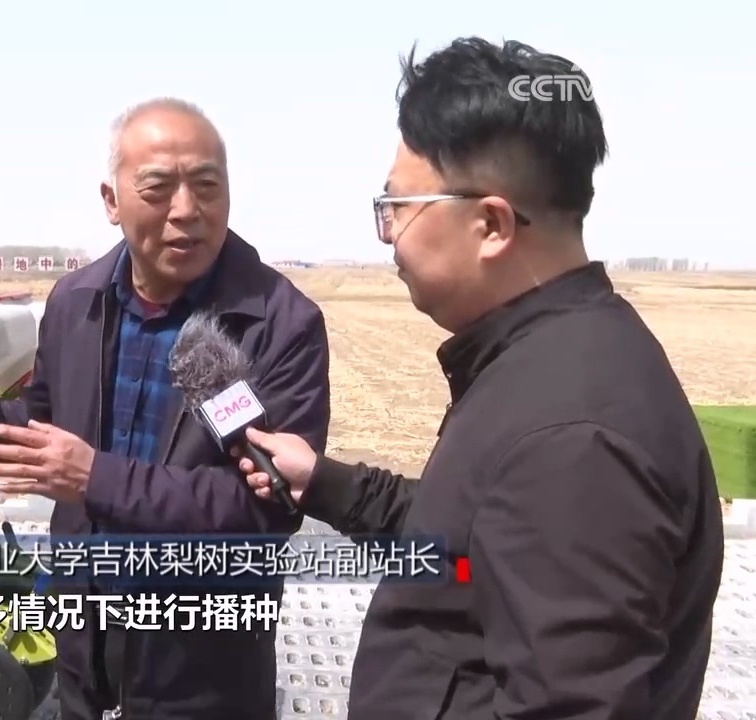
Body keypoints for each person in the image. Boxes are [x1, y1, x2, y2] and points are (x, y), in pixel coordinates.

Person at [237, 37, 724, 719]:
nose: (387, 234)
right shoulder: (544, 363)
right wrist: (324, 483)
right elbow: (470, 541)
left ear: (491, 224)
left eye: (398, 207)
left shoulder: (573, 438)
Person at [0, 97, 330, 720]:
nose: (187, 209)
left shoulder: (279, 324)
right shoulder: (77, 303)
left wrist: (94, 477)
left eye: (207, 186)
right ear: (112, 201)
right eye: (158, 187)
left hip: (204, 675)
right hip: (85, 655)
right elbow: (42, 431)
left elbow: (265, 511)